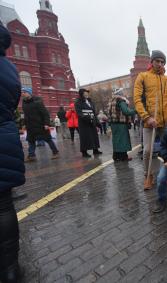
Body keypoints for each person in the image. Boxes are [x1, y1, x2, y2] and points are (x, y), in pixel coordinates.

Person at [0, 23, 26, 283]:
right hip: (4, 135)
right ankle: (10, 267)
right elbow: (13, 100)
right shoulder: (9, 67)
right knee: (3, 206)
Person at [133, 50, 167, 189]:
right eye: (157, 61)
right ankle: (149, 175)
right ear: (151, 62)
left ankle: (166, 175)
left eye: (162, 62)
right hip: (150, 123)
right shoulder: (143, 77)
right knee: (147, 150)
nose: (160, 64)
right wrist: (147, 117)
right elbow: (137, 100)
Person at [21, 87, 59, 161]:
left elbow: (45, 113)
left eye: (24, 92)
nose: (22, 94)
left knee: (48, 139)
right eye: (22, 92)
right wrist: (24, 124)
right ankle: (31, 156)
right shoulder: (24, 103)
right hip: (30, 126)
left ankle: (55, 152)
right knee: (31, 141)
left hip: (40, 125)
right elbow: (25, 115)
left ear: (29, 93)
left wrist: (46, 124)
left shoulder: (37, 101)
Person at [108, 88, 137, 161]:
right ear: (120, 93)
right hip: (121, 124)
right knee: (123, 140)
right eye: (122, 92)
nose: (124, 93)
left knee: (116, 140)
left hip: (113, 124)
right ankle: (123, 157)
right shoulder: (121, 101)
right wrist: (136, 111)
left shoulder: (111, 101)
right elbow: (126, 111)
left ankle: (115, 156)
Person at [74, 88, 102, 158]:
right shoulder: (78, 102)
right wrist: (87, 118)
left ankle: (95, 150)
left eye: (87, 93)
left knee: (94, 136)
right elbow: (79, 113)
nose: (87, 94)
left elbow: (94, 113)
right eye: (85, 93)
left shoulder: (90, 102)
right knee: (85, 137)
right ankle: (84, 152)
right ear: (81, 94)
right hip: (84, 123)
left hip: (92, 122)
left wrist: (97, 122)